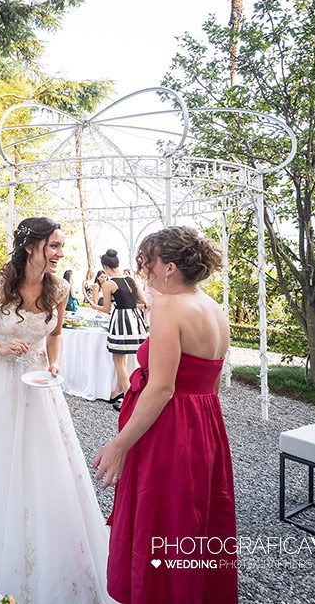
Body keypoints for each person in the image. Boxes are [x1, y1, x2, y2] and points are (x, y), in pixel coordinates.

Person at [0, 218, 111, 603]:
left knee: (44, 461)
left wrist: (55, 364)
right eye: (54, 245)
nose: (61, 253)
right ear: (31, 246)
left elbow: (57, 334)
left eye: (62, 246)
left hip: (39, 383)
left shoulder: (59, 288)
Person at [94, 226, 235, 604]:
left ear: (169, 267)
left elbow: (162, 387)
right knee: (193, 518)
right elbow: (213, 384)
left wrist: (119, 445)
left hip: (170, 428)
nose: (146, 272)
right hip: (205, 424)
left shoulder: (171, 307)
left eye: (149, 263)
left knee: (165, 516)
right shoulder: (213, 309)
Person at [93, 249, 147, 410]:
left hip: (121, 321)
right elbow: (143, 302)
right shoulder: (132, 280)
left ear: (105, 266)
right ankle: (120, 392)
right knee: (125, 360)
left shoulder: (109, 284)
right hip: (135, 320)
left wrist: (93, 305)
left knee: (119, 360)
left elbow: (105, 308)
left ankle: (129, 398)